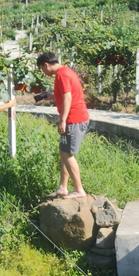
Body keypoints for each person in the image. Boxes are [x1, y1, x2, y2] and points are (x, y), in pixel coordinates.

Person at [36, 52, 90, 199]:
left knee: (67, 154)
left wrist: (63, 120)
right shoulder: (66, 71)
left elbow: (68, 97)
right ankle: (63, 187)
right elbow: (65, 94)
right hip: (75, 117)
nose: (43, 72)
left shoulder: (61, 75)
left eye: (42, 69)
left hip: (74, 119)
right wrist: (52, 96)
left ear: (46, 65)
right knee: (63, 151)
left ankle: (79, 190)